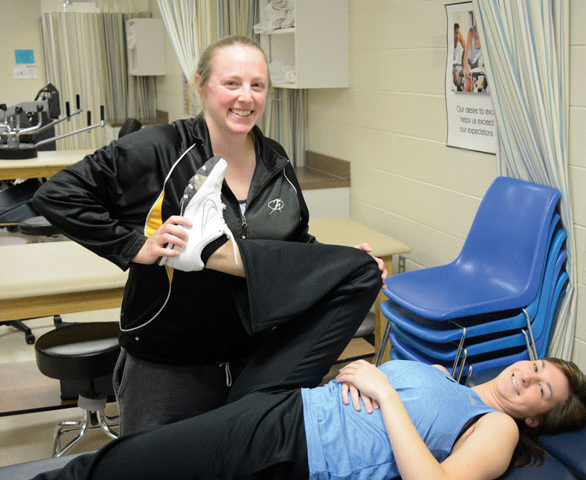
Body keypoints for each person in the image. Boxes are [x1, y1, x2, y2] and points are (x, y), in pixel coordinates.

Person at [31, 35, 386, 436]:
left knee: (236, 471)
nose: (246, 97)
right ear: (199, 86)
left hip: (255, 359)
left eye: (258, 85)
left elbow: (292, 244)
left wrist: (335, 264)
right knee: (159, 477)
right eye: (231, 83)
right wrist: (134, 246)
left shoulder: (276, 160)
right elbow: (57, 194)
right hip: (169, 367)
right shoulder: (160, 150)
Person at [0, 352, 586, 480]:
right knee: (134, 468)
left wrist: (384, 391)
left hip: (294, 452)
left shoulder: (498, 428)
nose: (528, 377)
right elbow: (355, 381)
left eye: (542, 388)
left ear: (538, 415)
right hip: (283, 412)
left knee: (102, 476)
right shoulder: (446, 374)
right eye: (536, 366)